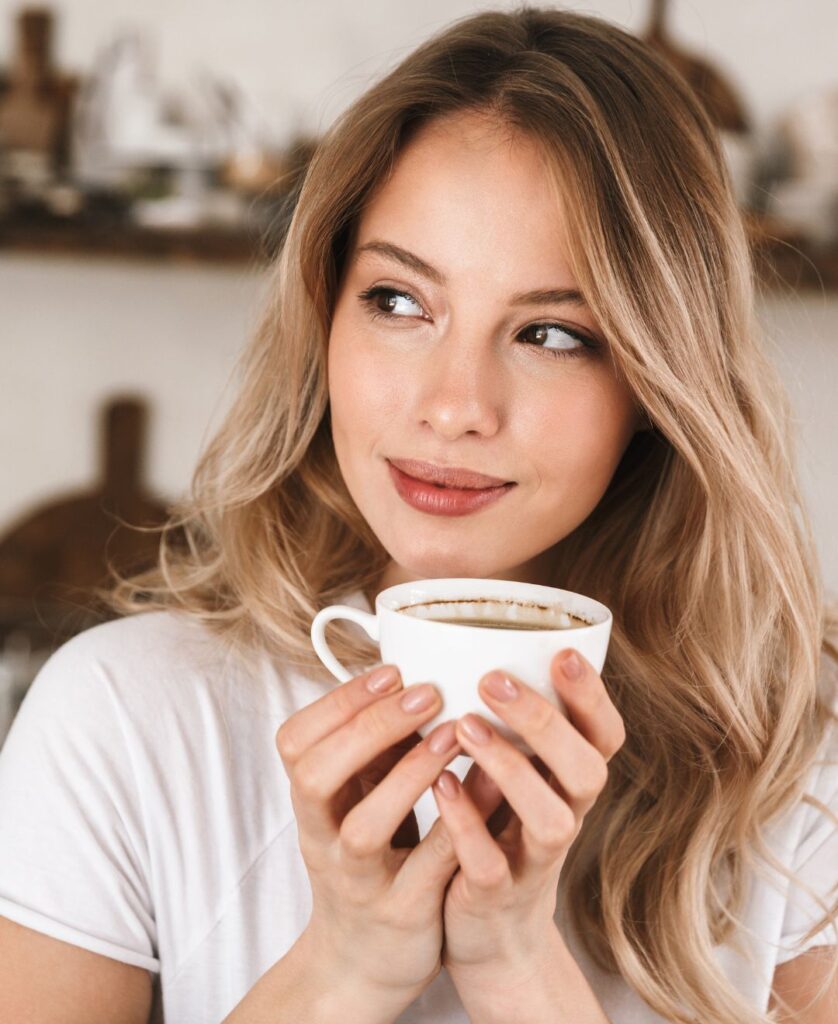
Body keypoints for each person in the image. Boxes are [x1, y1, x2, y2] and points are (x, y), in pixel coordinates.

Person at [0, 6, 835, 1023]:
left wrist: (517, 963)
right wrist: (347, 966)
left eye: (550, 333)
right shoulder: (122, 720)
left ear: (658, 384)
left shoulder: (797, 767)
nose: (454, 406)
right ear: (324, 315)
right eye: (399, 301)